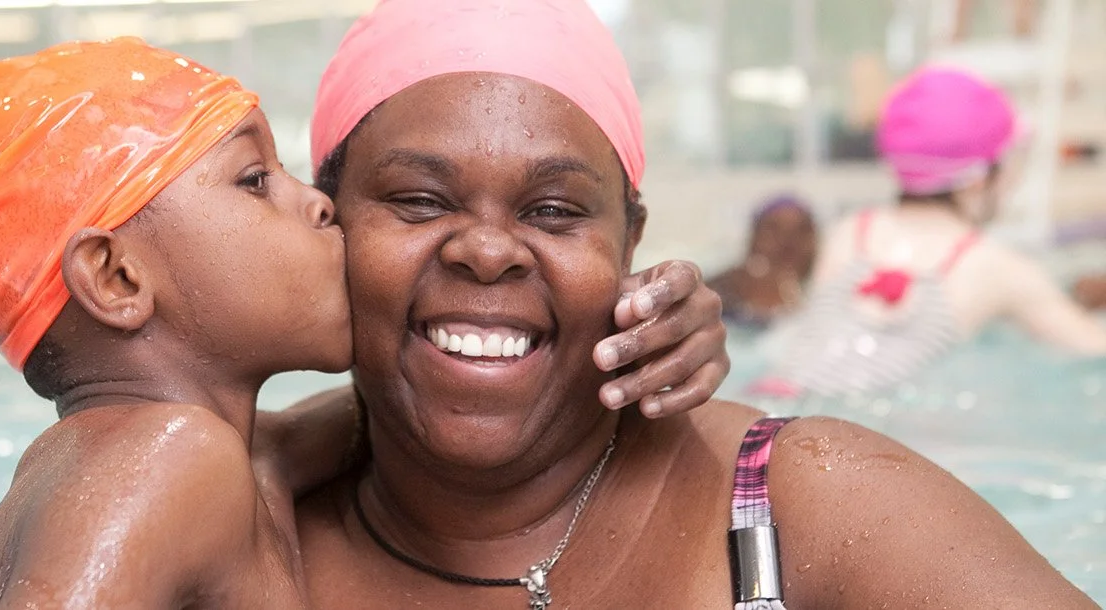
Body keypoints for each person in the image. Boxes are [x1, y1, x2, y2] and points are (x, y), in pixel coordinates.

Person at [289, 1, 1097, 607]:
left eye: (555, 210)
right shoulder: (245, 532)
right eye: (420, 200)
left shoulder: (805, 509)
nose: (489, 249)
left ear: (631, 242)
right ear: (326, 220)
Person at [0, 37, 728, 609]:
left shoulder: (220, 457)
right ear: (117, 277)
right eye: (255, 180)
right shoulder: (170, 461)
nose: (317, 202)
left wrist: (625, 338)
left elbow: (399, 419)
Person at [754, 66, 1106, 398]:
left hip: (770, 400)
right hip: (862, 436)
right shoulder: (997, 266)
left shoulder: (850, 231)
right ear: (979, 178)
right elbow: (1094, 351)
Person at [707, 194, 817, 327]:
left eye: (802, 230)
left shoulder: (829, 290)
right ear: (753, 239)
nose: (788, 241)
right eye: (774, 229)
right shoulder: (728, 286)